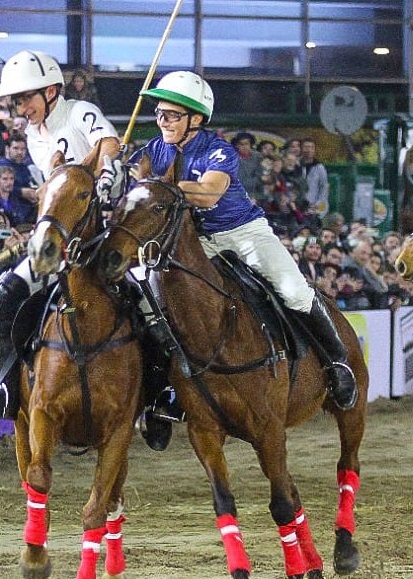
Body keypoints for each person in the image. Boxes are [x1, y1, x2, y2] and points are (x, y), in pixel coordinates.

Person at [127, 71, 358, 446]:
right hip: (194, 242)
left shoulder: (220, 150)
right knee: (150, 303)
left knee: (295, 292)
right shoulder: (154, 150)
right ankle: (162, 394)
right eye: (159, 114)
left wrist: (159, 186)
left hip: (243, 234)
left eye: (170, 114)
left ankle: (337, 364)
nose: (162, 121)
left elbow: (207, 195)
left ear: (195, 119)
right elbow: (133, 180)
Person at [0, 50, 120, 421]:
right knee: (5, 295)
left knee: (151, 296)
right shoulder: (34, 137)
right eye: (16, 101)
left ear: (51, 91)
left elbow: (108, 143)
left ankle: (160, 394)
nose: (21, 108)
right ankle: (5, 386)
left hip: (112, 226)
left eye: (25, 98)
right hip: (68, 238)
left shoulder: (79, 111)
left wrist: (106, 174)